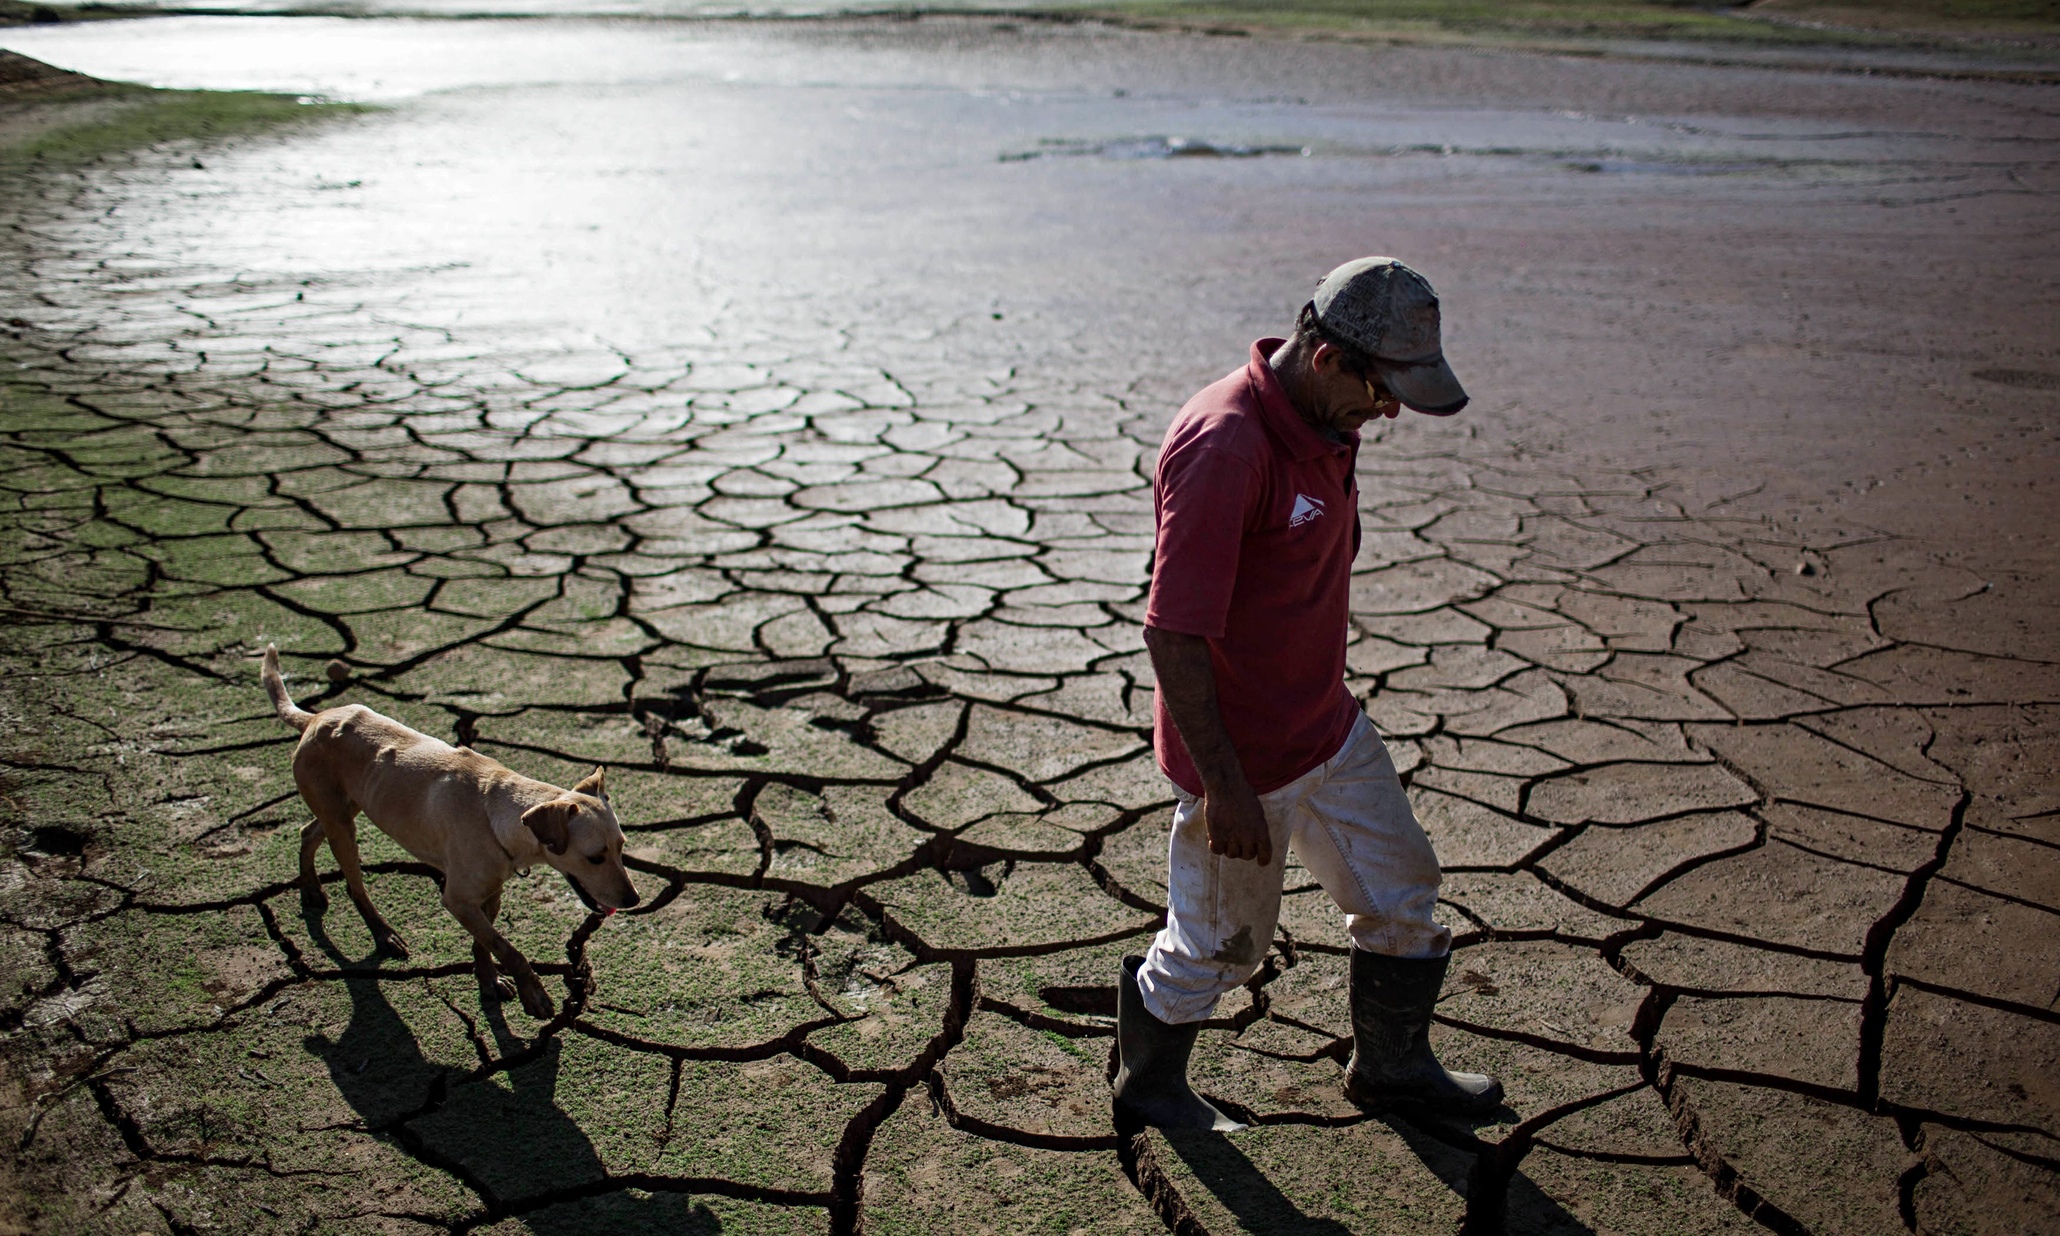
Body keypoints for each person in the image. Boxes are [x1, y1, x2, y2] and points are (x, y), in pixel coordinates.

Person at [1113, 257, 1505, 1132]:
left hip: (1327, 732)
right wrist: (1224, 784)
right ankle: (1148, 1089)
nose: (1392, 410)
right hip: (1245, 761)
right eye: (1384, 388)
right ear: (1328, 359)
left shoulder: (1326, 416)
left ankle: (1392, 1071)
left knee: (1405, 895)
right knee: (1220, 950)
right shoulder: (1226, 447)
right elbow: (1172, 631)